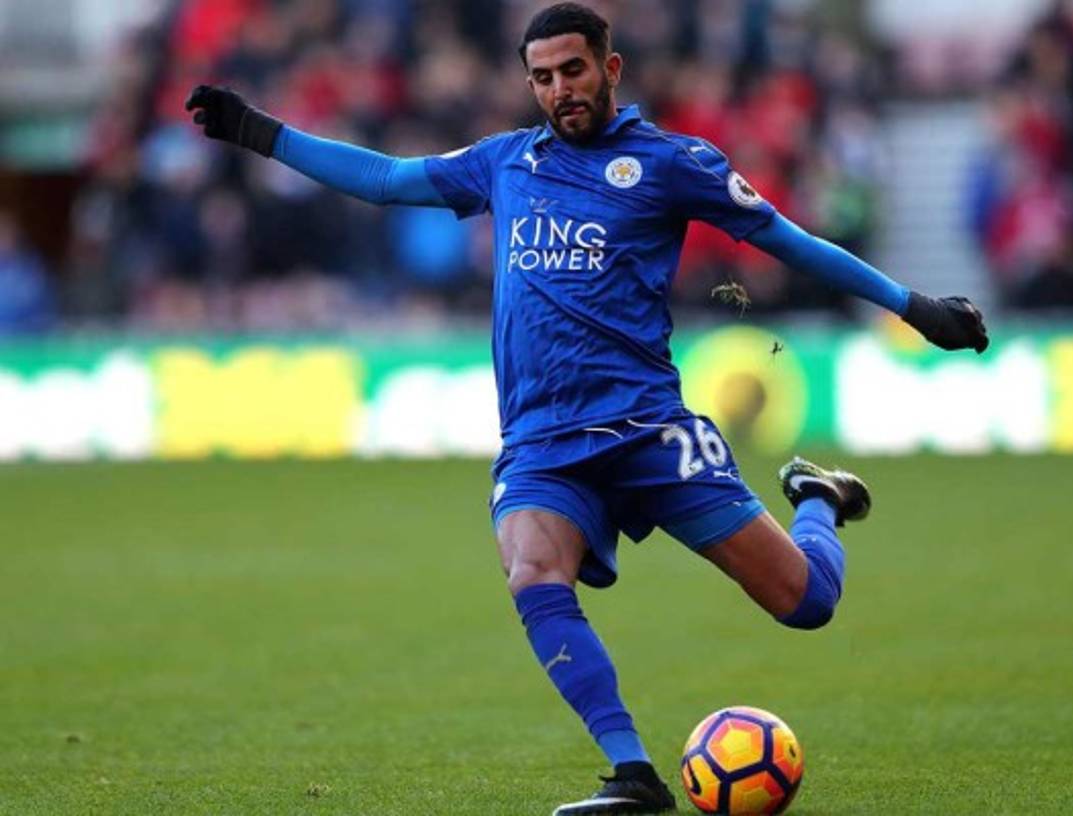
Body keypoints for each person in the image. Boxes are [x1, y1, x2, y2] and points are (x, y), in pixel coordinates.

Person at [187, 4, 988, 813]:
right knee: (532, 569)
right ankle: (633, 774)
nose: (559, 90)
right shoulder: (504, 162)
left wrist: (911, 305)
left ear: (610, 68)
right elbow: (389, 180)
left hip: (647, 429)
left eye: (573, 71)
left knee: (805, 603)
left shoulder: (675, 163)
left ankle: (816, 499)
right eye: (542, 77)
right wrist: (260, 132)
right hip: (542, 440)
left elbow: (788, 241)